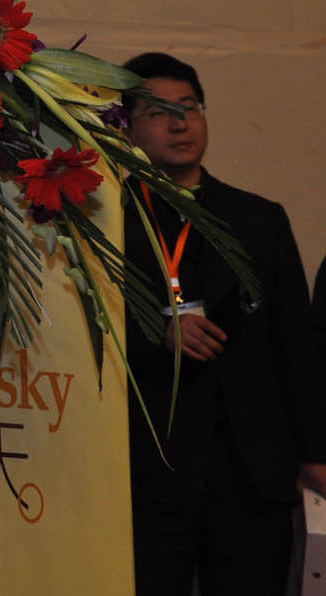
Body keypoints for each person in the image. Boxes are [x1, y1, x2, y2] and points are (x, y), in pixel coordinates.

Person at [121, 51, 326, 595]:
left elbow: (296, 342)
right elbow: (84, 335)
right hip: (149, 472)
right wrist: (157, 335)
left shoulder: (260, 218)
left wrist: (316, 451)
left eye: (189, 107)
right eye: (158, 112)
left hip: (251, 470)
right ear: (125, 128)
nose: (180, 124)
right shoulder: (106, 219)